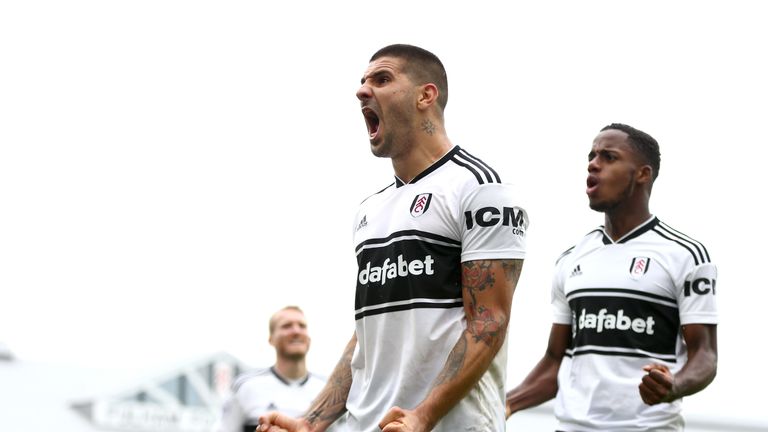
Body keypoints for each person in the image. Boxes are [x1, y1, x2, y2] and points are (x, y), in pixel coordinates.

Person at [258, 44, 528, 432]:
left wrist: (424, 415)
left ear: (426, 95)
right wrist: (311, 422)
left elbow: (489, 322)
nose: (362, 91)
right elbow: (369, 338)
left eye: (382, 79)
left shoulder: (480, 189)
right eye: (362, 82)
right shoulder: (370, 210)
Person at [505, 123, 718, 431]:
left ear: (643, 174)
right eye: (591, 156)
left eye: (608, 157)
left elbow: (705, 356)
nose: (593, 163)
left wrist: (674, 384)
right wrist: (507, 403)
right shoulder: (571, 259)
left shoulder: (685, 255)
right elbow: (554, 362)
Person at [215, 306, 326, 432]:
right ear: (271, 339)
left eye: (302, 326)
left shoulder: (329, 389)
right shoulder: (246, 387)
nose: (296, 331)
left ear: (309, 339)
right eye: (287, 326)